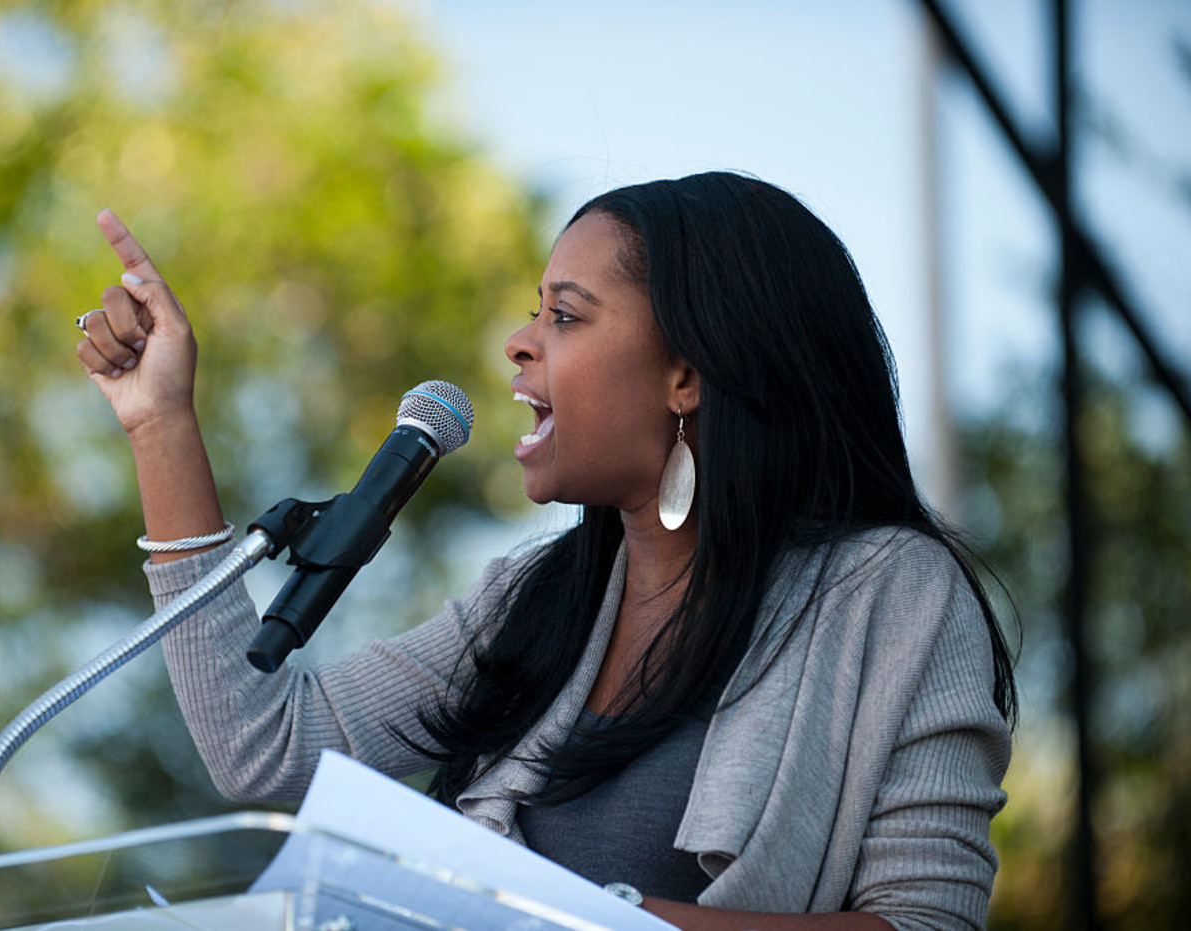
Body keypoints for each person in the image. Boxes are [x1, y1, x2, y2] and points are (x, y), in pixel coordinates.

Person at [76, 171, 1017, 931]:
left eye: (564, 316)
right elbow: (265, 748)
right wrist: (160, 423)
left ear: (686, 373)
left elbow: (927, 923)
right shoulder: (536, 595)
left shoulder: (888, 592)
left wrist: (586, 922)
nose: (519, 346)